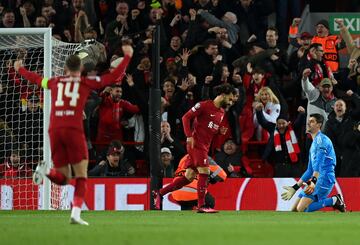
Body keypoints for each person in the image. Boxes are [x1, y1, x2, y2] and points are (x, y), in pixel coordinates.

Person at [13, 44, 133, 225]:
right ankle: (76, 214)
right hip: (73, 130)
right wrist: (127, 57)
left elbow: (36, 79)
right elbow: (113, 77)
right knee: (81, 175)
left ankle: (45, 170)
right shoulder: (85, 83)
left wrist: (19, 68)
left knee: (63, 178)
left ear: (65, 68)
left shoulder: (53, 82)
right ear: (81, 69)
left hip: (54, 130)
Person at [153, 83, 236, 213]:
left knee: (188, 177)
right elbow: (185, 117)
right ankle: (202, 205)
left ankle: (159, 193)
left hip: (204, 147)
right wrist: (188, 136)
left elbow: (208, 129)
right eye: (230, 98)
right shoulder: (204, 105)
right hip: (195, 144)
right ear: (223, 94)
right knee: (205, 172)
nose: (231, 102)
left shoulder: (221, 112)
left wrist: (219, 131)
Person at [281, 113, 346, 212]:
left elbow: (319, 163)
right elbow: (309, 170)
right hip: (317, 176)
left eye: (312, 121)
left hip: (325, 177)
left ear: (319, 125)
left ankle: (334, 200)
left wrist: (313, 182)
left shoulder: (321, 140)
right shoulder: (313, 143)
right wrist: (295, 187)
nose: (308, 123)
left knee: (302, 209)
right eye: (308, 121)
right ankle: (333, 200)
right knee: (294, 210)